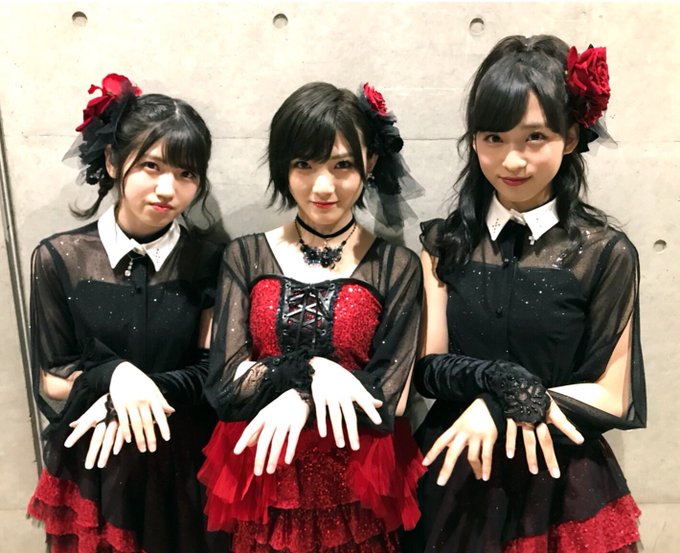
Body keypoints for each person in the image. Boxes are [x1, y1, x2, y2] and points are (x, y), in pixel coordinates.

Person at [412, 35, 646, 552]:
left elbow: (614, 396)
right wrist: (497, 380)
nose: (511, 160)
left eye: (535, 137)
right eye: (493, 138)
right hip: (456, 474)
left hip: (562, 484)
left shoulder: (605, 252)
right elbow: (428, 368)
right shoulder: (443, 242)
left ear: (570, 136)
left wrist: (504, 405)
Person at [198, 81, 424, 553]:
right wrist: (312, 370)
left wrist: (301, 398)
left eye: (342, 165)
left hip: (358, 481)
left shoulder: (396, 265)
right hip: (262, 479)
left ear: (370, 164)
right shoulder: (245, 256)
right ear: (284, 167)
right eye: (304, 164)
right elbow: (224, 387)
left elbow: (389, 399)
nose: (323, 186)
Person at [26, 73, 227, 553]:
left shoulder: (210, 259)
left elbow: (213, 372)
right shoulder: (59, 257)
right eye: (151, 166)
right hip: (97, 462)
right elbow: (52, 377)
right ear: (114, 161)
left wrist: (142, 391)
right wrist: (114, 376)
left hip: (183, 463)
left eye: (186, 174)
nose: (167, 189)